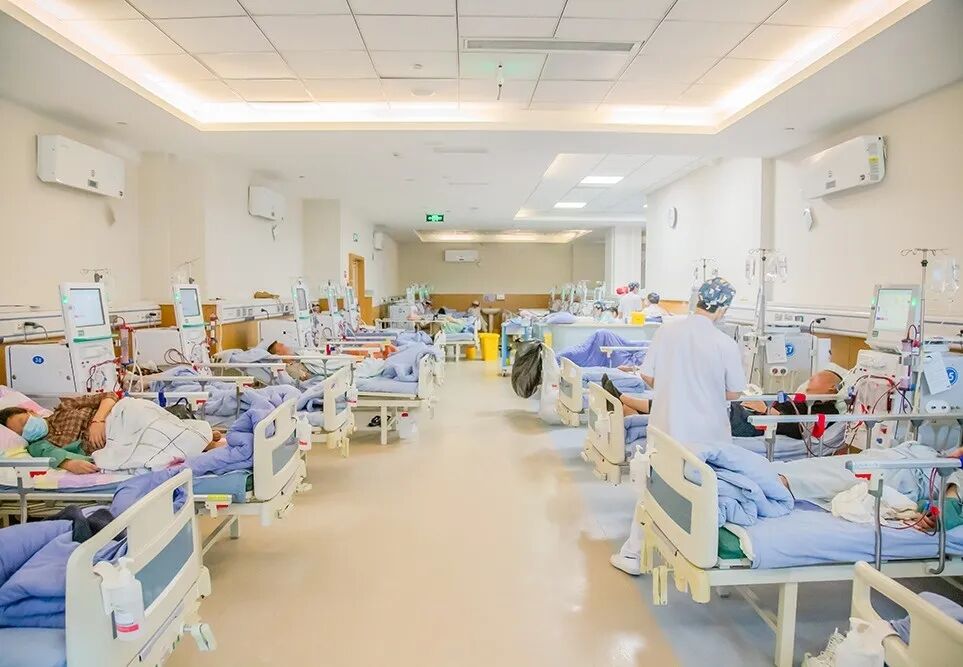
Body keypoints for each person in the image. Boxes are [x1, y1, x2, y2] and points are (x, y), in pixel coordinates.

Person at [610, 276, 746, 575]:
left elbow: (647, 376)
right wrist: (705, 389)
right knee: (708, 493)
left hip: (668, 427)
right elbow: (735, 393)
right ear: (723, 309)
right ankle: (706, 555)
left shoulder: (667, 331)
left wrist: (675, 385)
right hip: (708, 434)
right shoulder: (725, 343)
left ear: (697, 300)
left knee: (654, 488)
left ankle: (633, 555)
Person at [603, 368, 843, 441]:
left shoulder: (826, 409)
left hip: (755, 425)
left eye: (816, 378)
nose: (810, 379)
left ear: (831, 388)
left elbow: (800, 432)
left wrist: (767, 411)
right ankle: (630, 409)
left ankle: (625, 402)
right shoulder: (802, 400)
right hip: (746, 413)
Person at [1, 399, 225, 475]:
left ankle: (197, 437)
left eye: (23, 421)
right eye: (20, 431)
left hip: (116, 415)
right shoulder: (39, 444)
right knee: (153, 435)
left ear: (30, 412)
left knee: (141, 412)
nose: (26, 429)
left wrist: (97, 421)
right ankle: (203, 441)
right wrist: (70, 464)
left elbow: (108, 397)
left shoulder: (64, 407)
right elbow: (56, 457)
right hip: (115, 439)